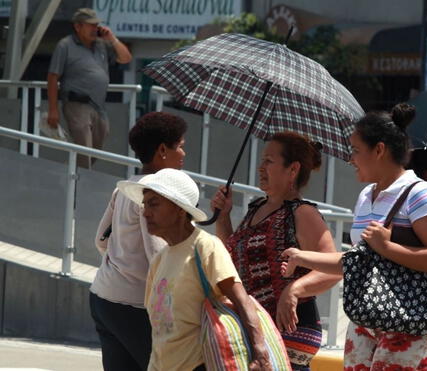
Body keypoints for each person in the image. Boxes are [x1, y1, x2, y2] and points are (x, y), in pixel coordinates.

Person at [281, 103, 427, 370]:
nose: (350, 159)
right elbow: (359, 260)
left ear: (379, 150)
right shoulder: (366, 196)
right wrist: (301, 256)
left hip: (412, 320)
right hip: (367, 317)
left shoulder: (422, 194)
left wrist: (386, 247)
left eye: (355, 150)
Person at [211, 131, 342, 370]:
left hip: (290, 326)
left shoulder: (302, 213)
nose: (261, 167)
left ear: (293, 169)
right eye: (262, 160)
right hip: (258, 323)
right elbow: (234, 257)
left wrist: (293, 290)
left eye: (269, 161)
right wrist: (223, 216)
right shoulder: (256, 207)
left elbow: (334, 268)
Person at [117, 169, 272, 371]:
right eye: (145, 204)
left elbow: (242, 301)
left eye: (154, 204)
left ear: (180, 209)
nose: (145, 212)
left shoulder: (205, 247)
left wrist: (260, 353)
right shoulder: (159, 260)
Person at [91, 112, 187, 371]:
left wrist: (123, 262)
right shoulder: (156, 195)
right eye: (180, 147)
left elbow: (101, 240)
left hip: (103, 298)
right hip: (134, 308)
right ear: (162, 150)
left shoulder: (124, 187)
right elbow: (159, 257)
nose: (183, 154)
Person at [47, 8, 132, 168]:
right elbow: (53, 77)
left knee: (95, 150)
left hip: (99, 106)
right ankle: (81, 185)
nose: (95, 29)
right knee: (84, 148)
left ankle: (70, 172)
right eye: (90, 25)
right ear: (78, 27)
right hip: (76, 103)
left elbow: (126, 58)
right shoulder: (65, 45)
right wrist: (53, 109)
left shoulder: (101, 45)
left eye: (96, 25)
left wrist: (112, 38)